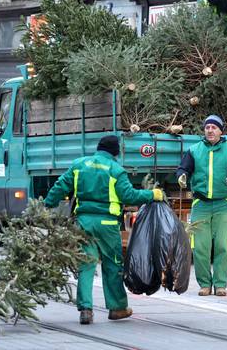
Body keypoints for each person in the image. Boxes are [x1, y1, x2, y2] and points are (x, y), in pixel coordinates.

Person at [44, 135, 164, 325]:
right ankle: (117, 308)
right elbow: (129, 195)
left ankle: (85, 309)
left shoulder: (79, 165)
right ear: (115, 151)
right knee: (112, 266)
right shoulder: (116, 170)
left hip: (83, 223)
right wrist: (152, 194)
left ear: (99, 148)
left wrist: (45, 206)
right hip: (107, 225)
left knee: (86, 264)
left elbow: (59, 187)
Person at [176, 115, 227, 297]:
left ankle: (220, 285)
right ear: (204, 130)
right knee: (200, 247)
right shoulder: (194, 150)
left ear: (221, 131)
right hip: (201, 204)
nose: (210, 130)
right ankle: (205, 285)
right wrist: (181, 177)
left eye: (214, 127)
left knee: (223, 245)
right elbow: (183, 169)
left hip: (223, 204)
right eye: (207, 128)